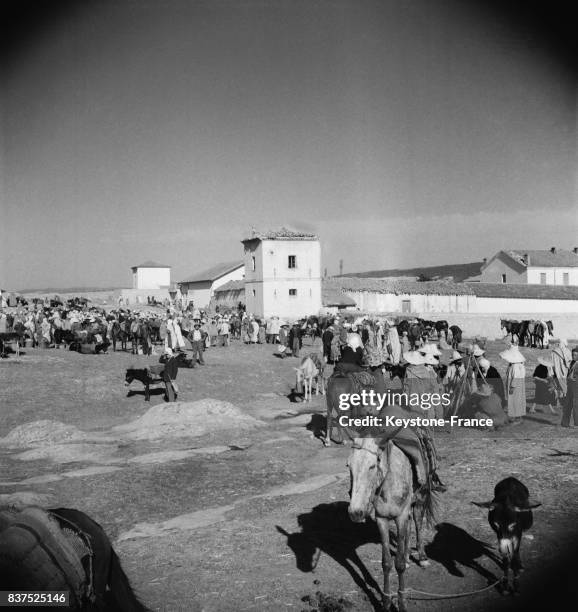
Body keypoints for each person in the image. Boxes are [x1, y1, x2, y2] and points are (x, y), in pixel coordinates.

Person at [500, 345, 526, 424]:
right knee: (515, 401)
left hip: (515, 386)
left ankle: (518, 418)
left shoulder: (515, 366)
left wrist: (512, 387)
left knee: (516, 401)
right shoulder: (517, 365)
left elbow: (516, 377)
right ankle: (515, 416)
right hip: (518, 385)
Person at [561, 347, 578, 428]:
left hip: (576, 384)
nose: (573, 356)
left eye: (575, 355)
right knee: (567, 403)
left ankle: (577, 423)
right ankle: (565, 422)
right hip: (570, 384)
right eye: (573, 354)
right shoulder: (572, 363)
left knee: (576, 404)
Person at [552, 338, 572, 407]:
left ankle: (558, 404)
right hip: (564, 373)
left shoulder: (554, 351)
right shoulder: (567, 351)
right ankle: (566, 403)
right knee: (565, 388)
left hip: (555, 372)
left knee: (558, 387)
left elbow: (551, 362)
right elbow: (569, 363)